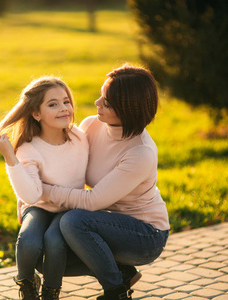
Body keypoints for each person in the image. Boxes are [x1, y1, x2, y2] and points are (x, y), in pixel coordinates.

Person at [40, 63, 170, 300]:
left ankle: (115, 291)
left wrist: (42, 191)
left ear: (128, 111)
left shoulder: (140, 153)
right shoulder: (91, 125)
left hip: (145, 235)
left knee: (73, 221)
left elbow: (92, 202)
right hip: (106, 223)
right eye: (101, 96)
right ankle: (122, 272)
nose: (97, 104)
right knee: (45, 252)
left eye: (107, 103)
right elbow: (65, 165)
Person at [0, 76, 89, 300]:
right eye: (53, 104)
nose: (64, 108)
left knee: (55, 244)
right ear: (36, 114)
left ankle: (51, 292)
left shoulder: (79, 137)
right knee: (28, 241)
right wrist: (9, 156)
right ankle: (26, 285)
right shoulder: (28, 148)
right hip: (38, 206)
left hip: (70, 208)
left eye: (66, 101)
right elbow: (32, 194)